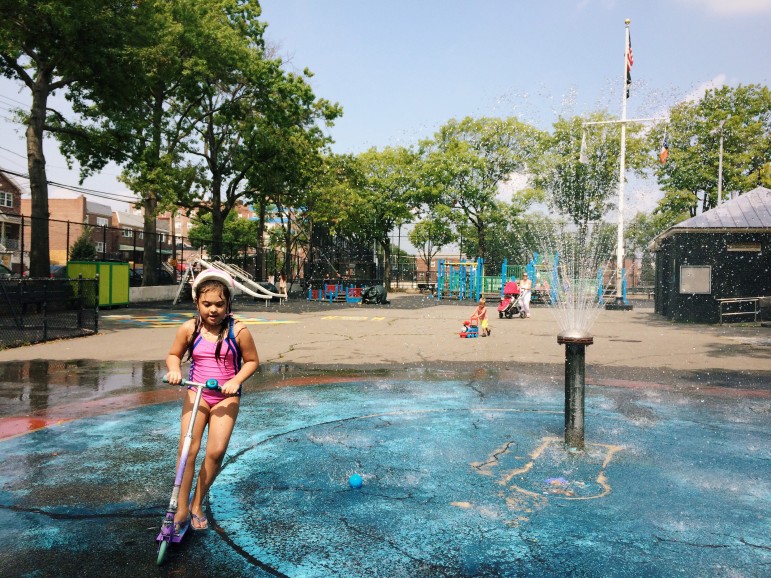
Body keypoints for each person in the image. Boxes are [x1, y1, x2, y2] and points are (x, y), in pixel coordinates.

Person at [165, 269, 259, 532]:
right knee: (187, 451)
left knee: (216, 452)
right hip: (197, 394)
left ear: (228, 303)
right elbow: (174, 355)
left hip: (226, 397)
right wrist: (174, 369)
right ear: (197, 303)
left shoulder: (238, 330)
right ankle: (181, 508)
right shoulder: (189, 328)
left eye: (219, 304)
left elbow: (252, 361)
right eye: (207, 304)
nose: (213, 310)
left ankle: (197, 503)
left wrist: (236, 380)